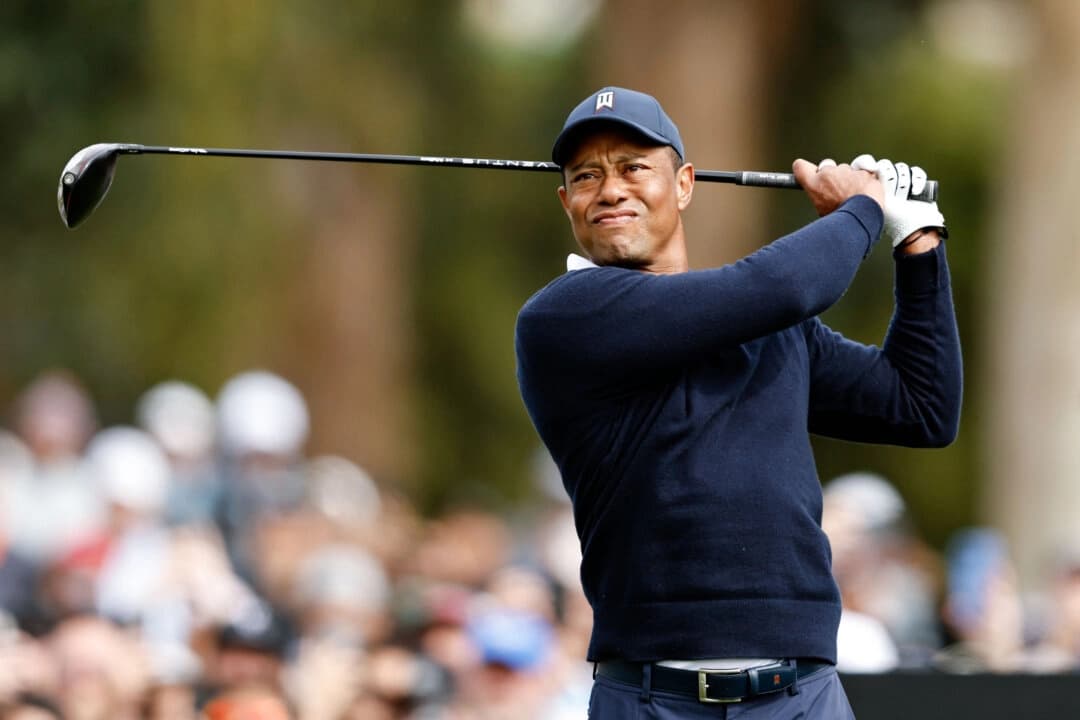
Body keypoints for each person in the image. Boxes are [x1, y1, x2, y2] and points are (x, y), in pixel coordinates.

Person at [514, 86, 962, 718]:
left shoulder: (770, 329)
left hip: (800, 697)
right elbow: (781, 284)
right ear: (567, 202)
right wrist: (862, 209)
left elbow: (921, 407)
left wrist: (917, 242)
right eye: (586, 176)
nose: (610, 190)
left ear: (686, 185)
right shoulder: (564, 317)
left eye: (634, 167)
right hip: (652, 699)